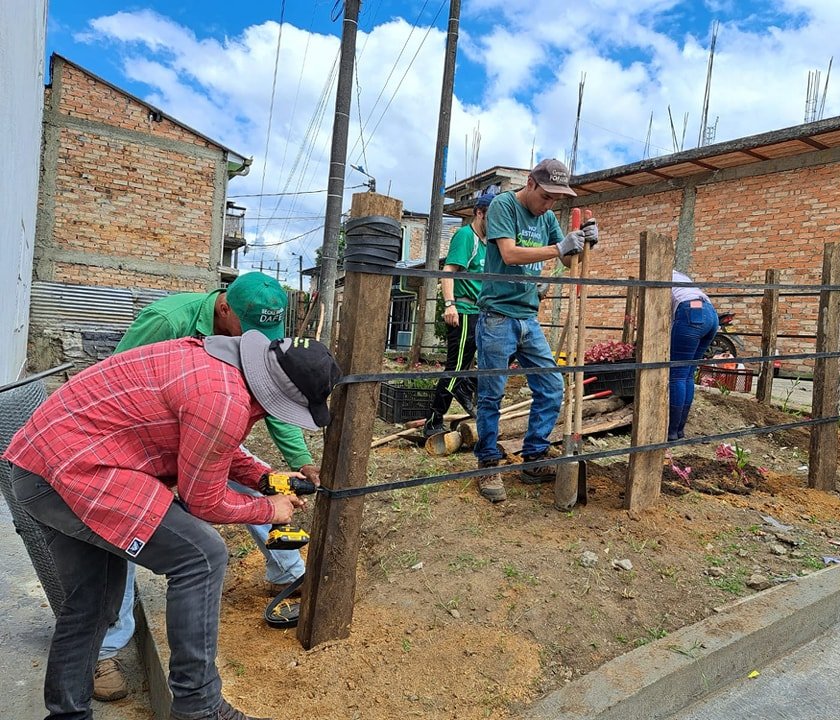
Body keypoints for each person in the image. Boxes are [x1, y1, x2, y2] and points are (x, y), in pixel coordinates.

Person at [4, 331, 340, 720]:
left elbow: (208, 446)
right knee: (201, 555)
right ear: (275, 395)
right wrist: (270, 510)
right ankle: (199, 708)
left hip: (40, 467)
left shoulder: (220, 365)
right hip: (78, 472)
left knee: (92, 600)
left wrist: (265, 479)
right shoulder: (223, 400)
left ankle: (66, 715)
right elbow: (204, 500)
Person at [93, 271, 316, 702]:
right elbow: (115, 382)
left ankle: (287, 572)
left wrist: (299, 462)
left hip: (198, 421)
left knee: (258, 476)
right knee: (120, 530)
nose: (258, 342)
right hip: (131, 445)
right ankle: (107, 648)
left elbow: (270, 397)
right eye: (250, 331)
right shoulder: (166, 320)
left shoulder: (251, 337)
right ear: (224, 307)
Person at [473, 159, 599, 502]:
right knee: (491, 395)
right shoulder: (503, 205)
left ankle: (533, 457)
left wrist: (586, 244)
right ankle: (487, 464)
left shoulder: (546, 218)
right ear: (530, 183)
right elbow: (510, 254)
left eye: (556, 199)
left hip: (528, 317)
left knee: (551, 386)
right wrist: (560, 247)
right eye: (545, 196)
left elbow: (569, 261)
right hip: (497, 315)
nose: (549, 204)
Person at [422, 193, 494, 438]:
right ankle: (433, 420)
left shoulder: (488, 243)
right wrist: (450, 305)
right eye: (492, 217)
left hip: (481, 312)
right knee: (454, 369)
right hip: (463, 312)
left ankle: (466, 387)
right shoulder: (466, 237)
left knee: (490, 359)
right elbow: (449, 271)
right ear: (480, 213)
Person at [669, 269, 719, 441]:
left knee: (676, 375)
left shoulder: (657, 273)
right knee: (688, 373)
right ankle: (679, 430)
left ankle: (671, 431)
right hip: (710, 313)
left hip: (691, 313)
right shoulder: (681, 276)